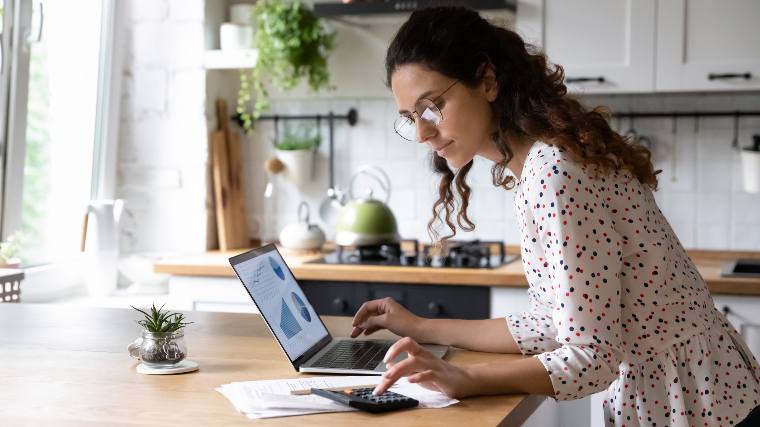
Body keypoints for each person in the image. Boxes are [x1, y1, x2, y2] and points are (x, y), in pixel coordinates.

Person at [349, 6, 760, 426]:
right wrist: (421, 327)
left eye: (432, 107)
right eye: (410, 118)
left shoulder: (554, 173)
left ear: (487, 81)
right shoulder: (537, 165)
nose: (421, 132)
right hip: (693, 393)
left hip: (694, 404)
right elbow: (552, 321)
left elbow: (591, 357)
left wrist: (465, 378)